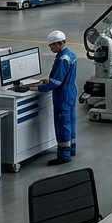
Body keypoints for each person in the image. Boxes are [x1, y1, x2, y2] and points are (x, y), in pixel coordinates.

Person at [37, 30, 77, 166]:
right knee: (70, 122)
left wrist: (38, 88)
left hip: (62, 95)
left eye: (52, 46)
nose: (51, 48)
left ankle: (64, 155)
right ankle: (71, 148)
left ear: (58, 44)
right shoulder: (70, 55)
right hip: (70, 91)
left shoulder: (62, 59)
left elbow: (56, 83)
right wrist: (49, 80)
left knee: (62, 124)